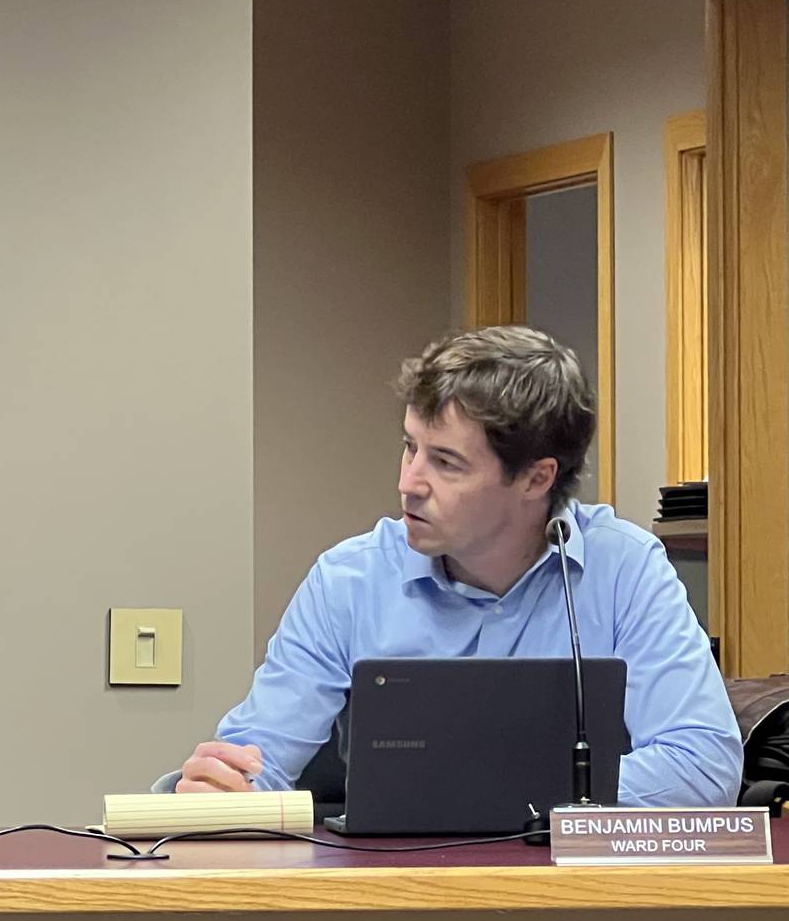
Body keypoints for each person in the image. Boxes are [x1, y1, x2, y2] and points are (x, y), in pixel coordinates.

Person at [173, 326, 742, 807]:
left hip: (570, 911)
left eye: (445, 462)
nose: (408, 483)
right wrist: (224, 788)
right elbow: (260, 761)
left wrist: (491, 790)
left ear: (536, 478)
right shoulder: (349, 580)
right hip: (392, 906)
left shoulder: (624, 571)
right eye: (409, 447)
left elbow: (703, 764)